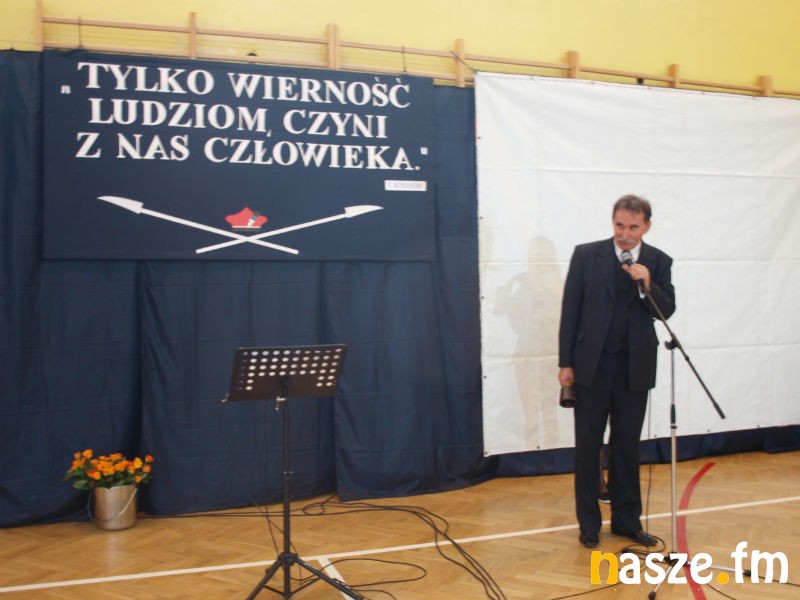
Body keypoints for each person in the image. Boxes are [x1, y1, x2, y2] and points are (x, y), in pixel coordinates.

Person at [558, 194, 675, 549]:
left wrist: (648, 283)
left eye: (633, 227)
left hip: (634, 369)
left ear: (646, 227)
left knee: (626, 447)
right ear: (613, 222)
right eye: (619, 226)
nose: (625, 234)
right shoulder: (585, 255)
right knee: (587, 447)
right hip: (591, 367)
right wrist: (565, 362)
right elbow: (570, 310)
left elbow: (666, 312)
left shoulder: (658, 261)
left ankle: (626, 521)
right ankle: (589, 524)